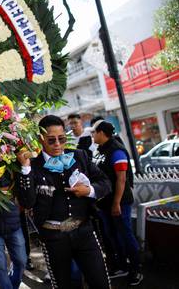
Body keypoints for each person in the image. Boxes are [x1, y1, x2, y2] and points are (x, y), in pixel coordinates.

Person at [15, 115, 112, 288]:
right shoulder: (33, 166)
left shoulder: (79, 156)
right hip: (54, 237)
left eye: (62, 139)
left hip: (84, 231)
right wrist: (25, 168)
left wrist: (89, 190)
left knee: (100, 281)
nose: (58, 145)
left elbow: (105, 182)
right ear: (41, 139)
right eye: (51, 140)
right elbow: (27, 202)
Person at [91, 120, 143, 286]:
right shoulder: (101, 150)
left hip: (119, 202)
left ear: (102, 133)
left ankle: (136, 269)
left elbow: (121, 180)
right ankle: (122, 266)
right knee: (112, 235)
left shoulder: (116, 151)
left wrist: (116, 203)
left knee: (125, 235)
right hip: (105, 203)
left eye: (94, 132)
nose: (92, 135)